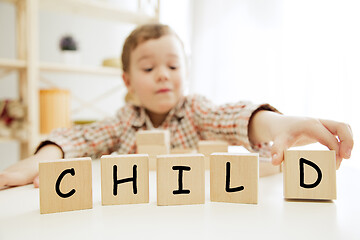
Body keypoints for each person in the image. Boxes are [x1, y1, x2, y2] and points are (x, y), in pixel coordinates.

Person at [0, 24, 354, 190]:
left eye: (172, 66)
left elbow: (236, 117)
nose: (162, 77)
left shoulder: (197, 110)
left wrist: (282, 125)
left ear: (186, 72)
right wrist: (34, 164)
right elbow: (78, 139)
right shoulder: (124, 122)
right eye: (149, 68)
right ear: (127, 81)